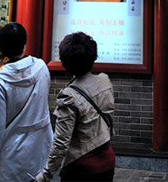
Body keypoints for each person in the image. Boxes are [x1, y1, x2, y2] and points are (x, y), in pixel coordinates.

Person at [34, 32, 115, 182]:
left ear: (65, 64)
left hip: (82, 168)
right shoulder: (105, 81)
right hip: (107, 160)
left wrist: (44, 175)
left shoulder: (69, 97)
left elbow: (60, 144)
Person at [0, 23, 52, 182]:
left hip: (12, 155)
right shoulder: (42, 67)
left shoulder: (0, 78)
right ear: (25, 44)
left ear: (1, 49)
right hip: (41, 148)